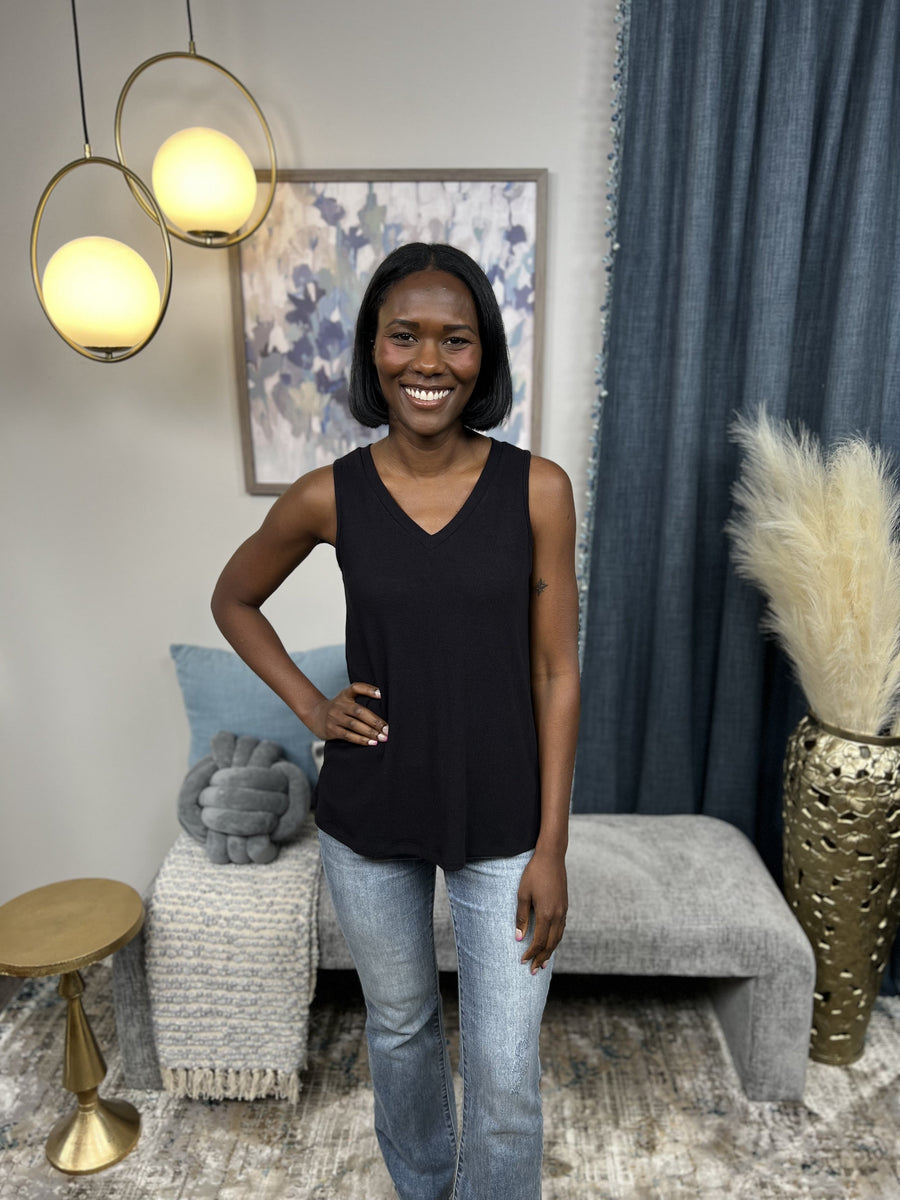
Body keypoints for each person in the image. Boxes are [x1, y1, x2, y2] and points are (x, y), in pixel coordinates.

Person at [211, 242, 580, 1200]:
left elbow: (556, 672)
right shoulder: (328, 495)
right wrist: (310, 704)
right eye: (403, 335)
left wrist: (551, 845)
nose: (428, 361)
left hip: (504, 816)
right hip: (369, 814)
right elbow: (234, 598)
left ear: (483, 356)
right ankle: (422, 1187)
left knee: (505, 1070)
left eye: (455, 339)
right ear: (372, 352)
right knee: (403, 1028)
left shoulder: (539, 490)